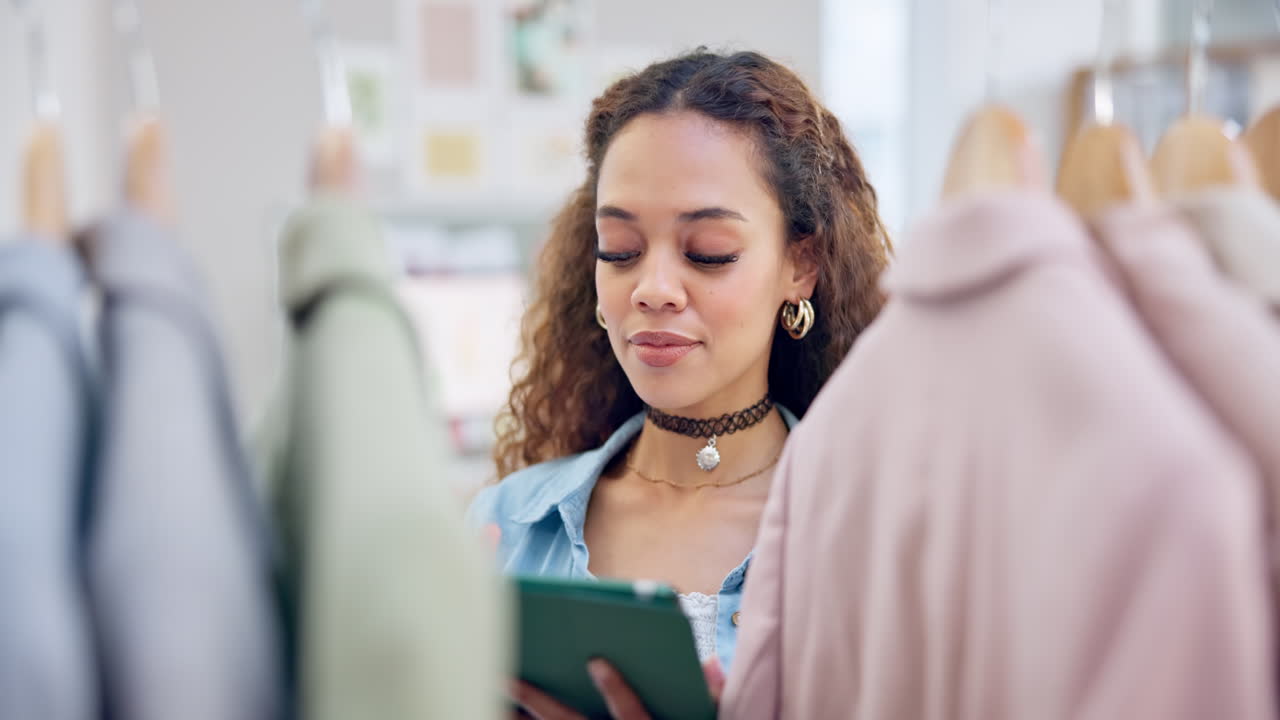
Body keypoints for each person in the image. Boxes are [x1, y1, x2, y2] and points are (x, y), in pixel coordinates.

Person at [467, 48, 890, 718]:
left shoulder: (876, 541)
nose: (653, 289)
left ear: (800, 266)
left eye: (708, 254)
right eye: (620, 251)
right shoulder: (509, 526)